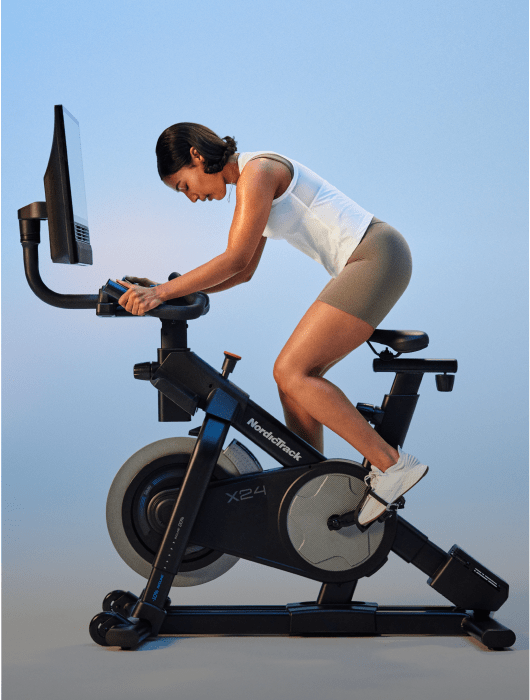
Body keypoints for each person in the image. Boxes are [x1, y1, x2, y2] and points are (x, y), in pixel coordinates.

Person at [117, 122, 428, 525]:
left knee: (291, 370)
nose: (191, 198)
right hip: (370, 259)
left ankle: (392, 465)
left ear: (196, 157)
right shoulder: (251, 180)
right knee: (295, 384)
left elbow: (233, 258)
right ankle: (312, 485)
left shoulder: (257, 173)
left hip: (376, 257)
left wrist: (161, 293)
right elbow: (244, 271)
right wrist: (169, 290)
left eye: (183, 186)